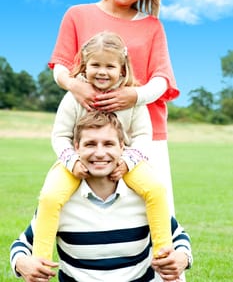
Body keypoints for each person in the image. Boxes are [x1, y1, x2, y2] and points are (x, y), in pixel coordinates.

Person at [48, 0, 179, 216]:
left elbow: (162, 80)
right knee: (82, 211)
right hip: (90, 133)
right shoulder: (77, 14)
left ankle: (165, 256)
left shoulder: (153, 26)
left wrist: (135, 96)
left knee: (154, 207)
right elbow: (61, 66)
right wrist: (75, 85)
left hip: (143, 131)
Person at [33, 31, 172, 263]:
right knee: (49, 196)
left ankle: (164, 255)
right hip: (78, 159)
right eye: (95, 65)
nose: (102, 72)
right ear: (85, 66)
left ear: (122, 69)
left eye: (110, 66)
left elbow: (143, 136)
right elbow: (60, 136)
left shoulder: (130, 99)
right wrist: (72, 162)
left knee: (156, 189)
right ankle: (40, 261)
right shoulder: (74, 97)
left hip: (124, 159)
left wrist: (127, 163)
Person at [10, 111, 192, 282]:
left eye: (108, 144)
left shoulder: (144, 196)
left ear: (122, 148)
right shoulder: (59, 200)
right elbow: (22, 244)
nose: (99, 153)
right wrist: (21, 263)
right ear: (76, 149)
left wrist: (183, 257)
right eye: (90, 144)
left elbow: (178, 236)